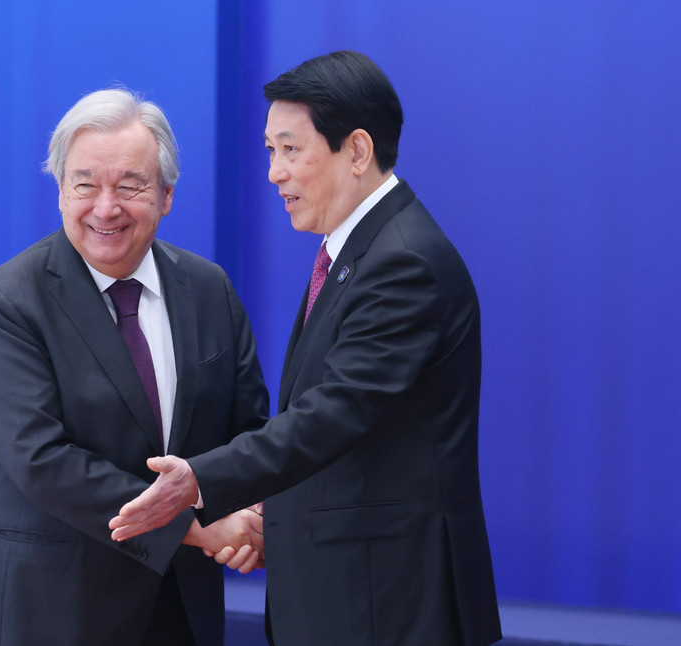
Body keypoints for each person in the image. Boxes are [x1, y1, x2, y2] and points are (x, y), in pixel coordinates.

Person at [110, 51, 502, 646]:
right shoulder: (356, 252)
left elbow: (333, 415)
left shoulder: (401, 263)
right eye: (271, 150)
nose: (274, 173)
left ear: (358, 151)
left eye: (291, 150)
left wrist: (200, 481)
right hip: (353, 594)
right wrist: (271, 514)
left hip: (389, 602)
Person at [0, 88, 270, 646]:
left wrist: (256, 516)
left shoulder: (209, 289)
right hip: (45, 613)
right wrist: (198, 531)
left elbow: (251, 431)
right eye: (84, 184)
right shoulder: (9, 301)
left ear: (166, 195)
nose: (105, 207)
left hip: (178, 613)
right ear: (61, 191)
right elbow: (42, 460)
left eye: (130, 186)